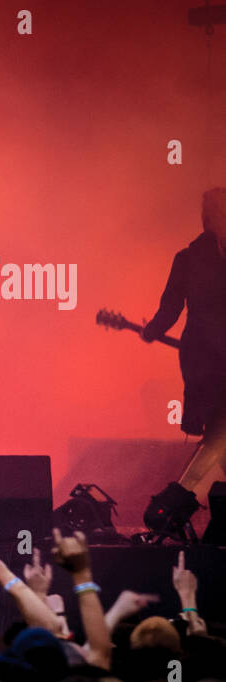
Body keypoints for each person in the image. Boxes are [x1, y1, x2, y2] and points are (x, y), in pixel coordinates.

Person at [141, 188, 226, 534]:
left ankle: (177, 505)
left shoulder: (189, 258)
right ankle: (176, 500)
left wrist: (153, 329)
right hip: (208, 364)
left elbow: (170, 309)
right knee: (220, 431)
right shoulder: (190, 259)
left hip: (206, 362)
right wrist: (153, 328)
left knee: (220, 433)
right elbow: (170, 308)